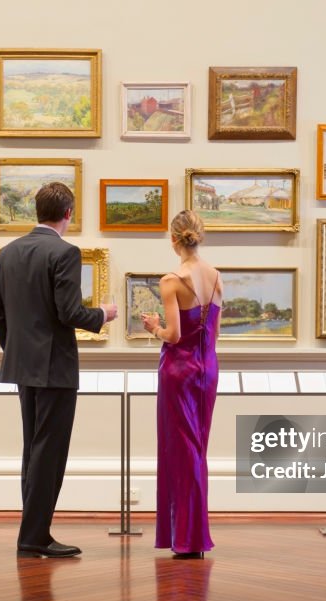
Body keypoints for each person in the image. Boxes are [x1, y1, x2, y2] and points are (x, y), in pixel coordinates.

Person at [0, 182, 118, 558]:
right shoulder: (65, 252)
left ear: (37, 211)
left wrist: (18, 348)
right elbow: (70, 313)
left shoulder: (8, 253)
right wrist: (103, 315)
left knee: (33, 449)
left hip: (22, 366)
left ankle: (33, 533)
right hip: (55, 368)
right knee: (49, 452)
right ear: (69, 214)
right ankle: (34, 537)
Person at [141, 210, 222, 559]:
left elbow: (173, 335)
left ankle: (188, 539)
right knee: (197, 448)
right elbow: (214, 332)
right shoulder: (217, 276)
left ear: (173, 239)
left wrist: (153, 328)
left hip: (178, 371)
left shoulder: (171, 280)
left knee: (182, 450)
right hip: (208, 369)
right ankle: (194, 535)